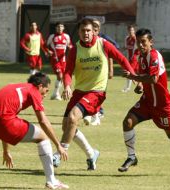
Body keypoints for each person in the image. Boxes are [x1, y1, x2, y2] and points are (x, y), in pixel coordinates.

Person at [53, 18, 135, 170]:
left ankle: (58, 154)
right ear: (79, 32)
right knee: (67, 127)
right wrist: (67, 86)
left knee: (72, 118)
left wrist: (133, 75)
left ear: (94, 31)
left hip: (96, 92)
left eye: (88, 31)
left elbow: (121, 58)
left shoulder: (103, 44)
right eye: (83, 31)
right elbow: (68, 71)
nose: (86, 33)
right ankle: (92, 154)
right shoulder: (75, 49)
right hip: (79, 92)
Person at [118, 28, 170, 175]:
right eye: (138, 42)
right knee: (127, 122)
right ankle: (131, 157)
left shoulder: (154, 56)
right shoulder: (140, 57)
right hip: (147, 101)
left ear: (151, 42)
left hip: (162, 104)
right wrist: (140, 85)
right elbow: (143, 76)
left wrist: (134, 78)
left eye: (143, 42)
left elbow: (153, 79)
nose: (140, 45)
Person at [83, 18, 118, 126]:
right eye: (92, 26)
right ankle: (92, 113)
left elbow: (114, 49)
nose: (94, 28)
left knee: (97, 92)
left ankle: (96, 114)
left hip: (102, 72)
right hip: (90, 70)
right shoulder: (86, 39)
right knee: (88, 91)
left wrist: (111, 69)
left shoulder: (104, 39)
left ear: (99, 28)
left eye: (96, 26)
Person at [47, 22, 73, 100]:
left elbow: (70, 45)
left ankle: (55, 93)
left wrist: (70, 47)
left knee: (62, 77)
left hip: (63, 60)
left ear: (63, 28)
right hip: (55, 59)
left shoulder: (66, 36)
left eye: (61, 26)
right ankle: (56, 94)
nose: (60, 28)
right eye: (58, 27)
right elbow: (45, 45)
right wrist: (48, 51)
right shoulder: (52, 37)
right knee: (60, 76)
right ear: (56, 28)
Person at [122, 24, 136, 93]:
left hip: (134, 59)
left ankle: (129, 87)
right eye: (130, 30)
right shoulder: (127, 38)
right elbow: (126, 47)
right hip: (128, 58)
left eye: (132, 30)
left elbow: (137, 49)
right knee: (129, 72)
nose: (131, 31)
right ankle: (128, 87)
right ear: (128, 31)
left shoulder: (135, 39)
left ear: (134, 31)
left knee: (132, 72)